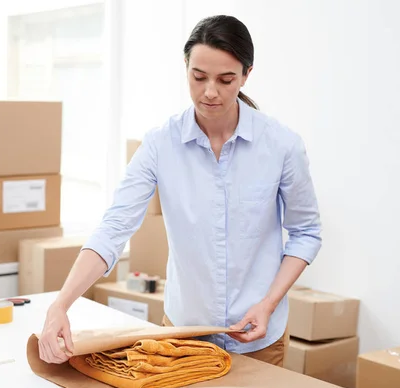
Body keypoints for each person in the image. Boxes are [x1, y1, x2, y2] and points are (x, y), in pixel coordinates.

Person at [38, 15, 322, 367]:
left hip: (259, 338)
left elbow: (306, 232)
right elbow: (114, 228)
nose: (210, 92)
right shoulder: (160, 145)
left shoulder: (281, 145)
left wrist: (269, 303)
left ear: (247, 74)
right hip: (182, 336)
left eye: (226, 79)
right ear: (186, 67)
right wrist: (61, 304)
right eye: (198, 77)